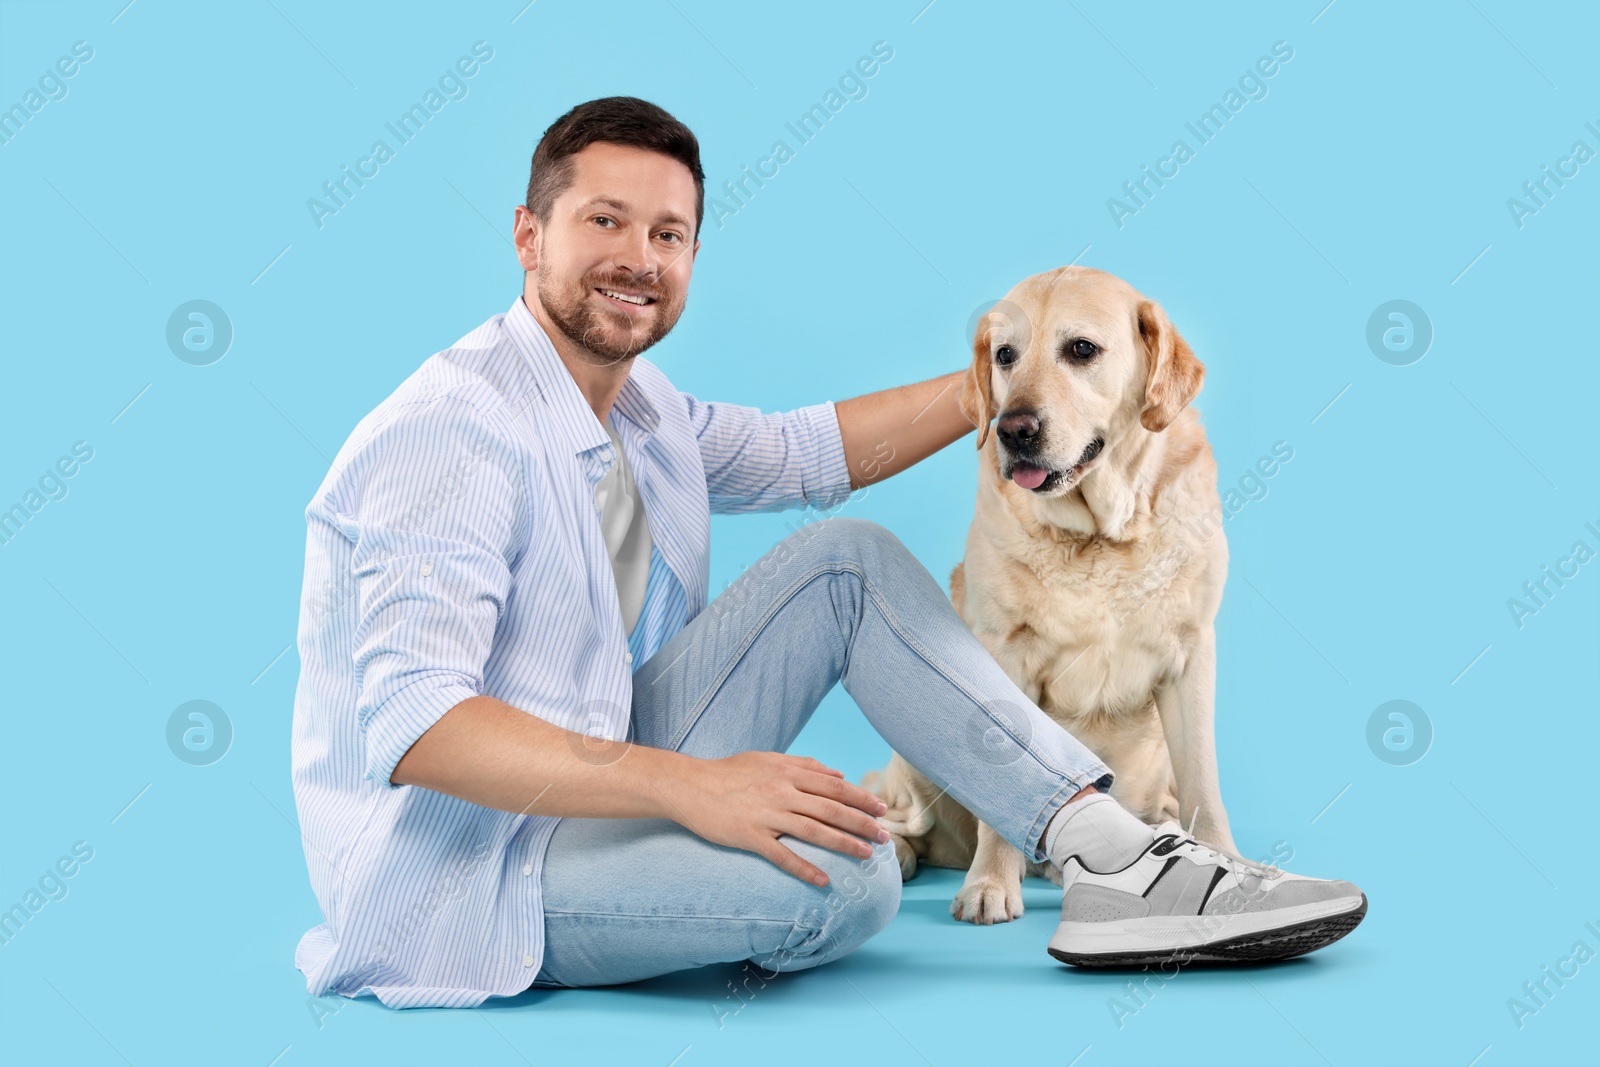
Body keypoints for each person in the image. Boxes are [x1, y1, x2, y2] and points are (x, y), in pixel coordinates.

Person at [290, 96, 1366, 1010]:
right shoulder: (448, 433)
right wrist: (692, 792)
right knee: (846, 889)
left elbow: (806, 452)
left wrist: (1004, 385)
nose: (638, 257)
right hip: (472, 873)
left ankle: (1107, 854)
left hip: (595, 773)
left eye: (667, 234)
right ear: (529, 235)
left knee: (846, 560)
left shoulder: (641, 412)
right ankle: (1111, 858)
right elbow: (419, 725)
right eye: (603, 220)